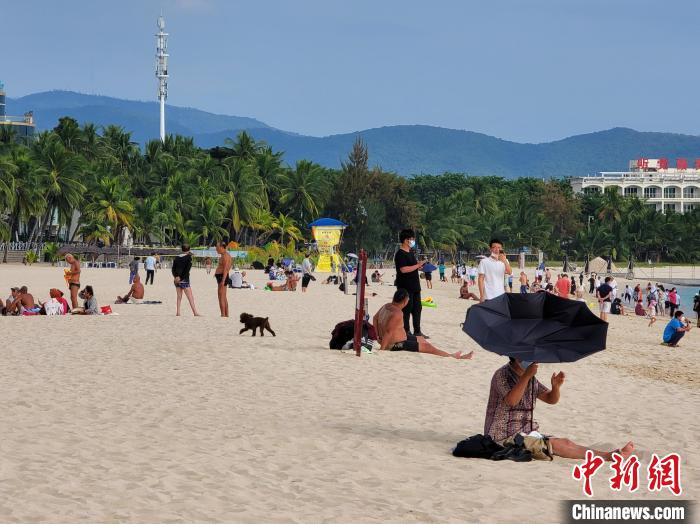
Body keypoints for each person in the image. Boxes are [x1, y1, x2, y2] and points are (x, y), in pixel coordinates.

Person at [484, 358, 633, 461]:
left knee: (566, 442)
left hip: (525, 431)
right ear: (516, 356)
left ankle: (606, 455)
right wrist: (526, 376)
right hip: (502, 436)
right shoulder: (502, 375)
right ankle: (610, 457)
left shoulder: (530, 378)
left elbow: (550, 399)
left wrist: (556, 387)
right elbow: (512, 401)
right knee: (560, 445)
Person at [373, 289, 473, 359]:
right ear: (404, 301)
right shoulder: (397, 313)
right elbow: (388, 331)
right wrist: (383, 349)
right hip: (395, 345)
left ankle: (444, 353)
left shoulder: (386, 306)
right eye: (408, 300)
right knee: (427, 347)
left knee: (421, 339)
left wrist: (378, 336)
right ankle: (452, 356)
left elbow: (375, 318)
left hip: (397, 339)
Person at [394, 229, 427, 337]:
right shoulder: (400, 254)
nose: (412, 241)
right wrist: (417, 265)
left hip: (415, 285)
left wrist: (420, 265)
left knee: (417, 308)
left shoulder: (411, 253)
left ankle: (417, 331)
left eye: (413, 239)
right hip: (405, 286)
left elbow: (412, 266)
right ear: (404, 240)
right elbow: (403, 269)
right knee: (407, 309)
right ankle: (406, 331)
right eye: (410, 239)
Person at [172, 244, 200, 317]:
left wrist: (176, 277)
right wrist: (181, 278)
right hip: (184, 279)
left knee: (179, 296)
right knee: (190, 297)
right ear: (189, 249)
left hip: (176, 280)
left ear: (182, 249)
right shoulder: (188, 258)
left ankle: (178, 312)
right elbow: (187, 270)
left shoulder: (177, 257)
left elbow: (173, 269)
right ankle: (195, 312)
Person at [214, 241, 232, 317]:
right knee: (223, 296)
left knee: (221, 296)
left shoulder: (226, 256)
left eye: (217, 247)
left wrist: (223, 280)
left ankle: (223, 314)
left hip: (222, 277)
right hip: (221, 276)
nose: (216, 249)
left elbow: (226, 269)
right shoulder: (224, 255)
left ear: (222, 247)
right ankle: (225, 314)